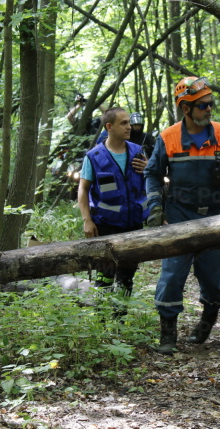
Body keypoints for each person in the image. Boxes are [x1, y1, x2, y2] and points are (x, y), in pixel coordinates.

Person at [144, 76, 220, 354]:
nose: (209, 109)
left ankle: (206, 321)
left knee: (212, 280)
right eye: (203, 106)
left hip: (214, 217)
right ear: (185, 109)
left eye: (211, 104)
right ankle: (168, 335)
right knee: (172, 275)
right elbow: (152, 174)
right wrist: (155, 206)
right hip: (179, 216)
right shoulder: (168, 138)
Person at [77, 107, 149, 299]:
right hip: (105, 227)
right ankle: (102, 321)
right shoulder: (94, 157)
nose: (129, 127)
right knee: (104, 277)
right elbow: (83, 190)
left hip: (134, 225)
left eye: (129, 122)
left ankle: (120, 319)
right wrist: (87, 220)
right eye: (123, 123)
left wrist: (149, 168)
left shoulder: (137, 152)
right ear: (109, 127)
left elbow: (150, 184)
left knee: (126, 278)